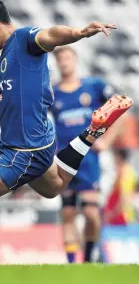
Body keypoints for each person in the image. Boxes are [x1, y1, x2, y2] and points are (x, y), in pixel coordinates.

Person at [0, 0, 132, 265]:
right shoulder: (4, 60)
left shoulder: (23, 39)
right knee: (54, 186)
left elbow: (50, 34)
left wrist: (78, 33)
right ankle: (92, 132)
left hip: (24, 151)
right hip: (30, 146)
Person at [51, 46, 122, 263]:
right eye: (60, 59)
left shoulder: (94, 87)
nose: (64, 62)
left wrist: (107, 141)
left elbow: (119, 108)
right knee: (68, 213)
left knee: (91, 214)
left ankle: (89, 258)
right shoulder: (53, 93)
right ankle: (72, 263)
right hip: (64, 159)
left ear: (75, 60)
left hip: (89, 160)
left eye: (67, 58)